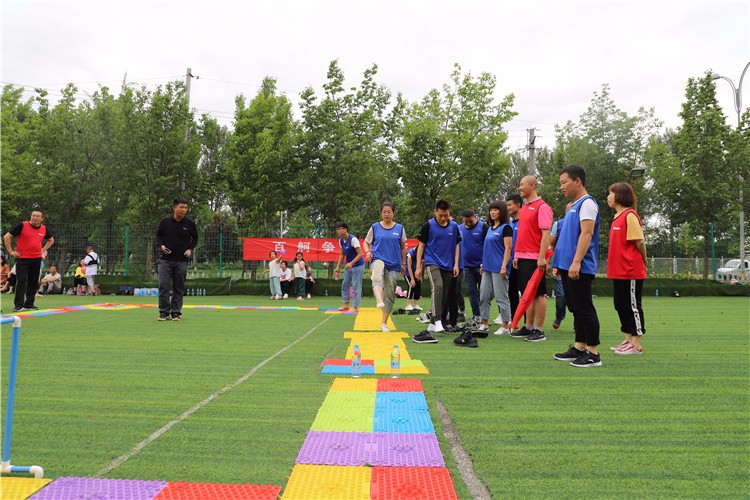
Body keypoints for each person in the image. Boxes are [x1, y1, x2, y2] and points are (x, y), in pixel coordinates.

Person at [552, 165, 602, 367]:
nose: (561, 187)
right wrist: (559, 264)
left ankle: (593, 352)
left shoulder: (587, 204)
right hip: (566, 266)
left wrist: (576, 261)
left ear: (577, 181)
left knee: (584, 308)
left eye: (564, 182)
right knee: (575, 308)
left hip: (579, 267)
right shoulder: (574, 206)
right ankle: (579, 347)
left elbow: (587, 234)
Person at [463, 200, 513, 343]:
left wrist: (504, 266)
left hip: (499, 268)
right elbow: (487, 248)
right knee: (483, 296)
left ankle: (505, 325)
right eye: (491, 210)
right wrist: (483, 263)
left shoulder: (506, 228)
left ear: (501, 212)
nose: (492, 212)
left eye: (496, 210)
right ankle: (484, 324)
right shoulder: (490, 228)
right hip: (487, 268)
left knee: (501, 297)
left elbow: (508, 249)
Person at [606, 182, 647, 356]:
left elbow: (640, 242)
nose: (608, 197)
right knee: (620, 305)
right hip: (618, 270)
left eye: (611, 193)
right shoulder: (617, 217)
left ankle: (636, 344)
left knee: (632, 306)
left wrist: (643, 260)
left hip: (630, 270)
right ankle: (628, 339)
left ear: (620, 196)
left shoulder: (630, 215)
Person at [412, 200, 461, 344]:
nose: (443, 218)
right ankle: (438, 319)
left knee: (444, 294)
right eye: (441, 215)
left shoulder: (454, 226)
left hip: (448, 264)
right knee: (437, 287)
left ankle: (432, 324)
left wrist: (456, 264)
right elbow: (421, 246)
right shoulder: (428, 226)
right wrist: (418, 267)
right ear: (435, 212)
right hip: (431, 262)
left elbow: (457, 246)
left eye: (446, 215)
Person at [511, 176, 553, 342]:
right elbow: (522, 234)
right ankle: (528, 327)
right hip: (522, 257)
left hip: (535, 258)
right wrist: (517, 254)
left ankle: (539, 329)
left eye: (522, 185)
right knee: (526, 294)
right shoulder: (525, 208)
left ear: (532, 185)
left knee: (538, 293)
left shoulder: (542, 207)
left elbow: (546, 234)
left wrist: (542, 257)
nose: (519, 188)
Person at [362, 201, 407, 333]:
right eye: (384, 212)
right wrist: (368, 251)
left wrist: (403, 264)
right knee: (377, 276)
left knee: (390, 294)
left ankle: (383, 323)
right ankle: (378, 299)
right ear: (381, 213)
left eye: (389, 212)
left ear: (393, 213)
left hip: (394, 264)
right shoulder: (375, 227)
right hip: (377, 259)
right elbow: (366, 243)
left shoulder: (399, 228)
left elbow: (403, 247)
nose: (386, 214)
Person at [3, 209, 55, 312]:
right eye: (33, 215)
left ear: (42, 218)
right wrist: (10, 251)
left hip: (36, 259)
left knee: (33, 282)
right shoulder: (22, 225)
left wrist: (43, 250)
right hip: (22, 258)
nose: (35, 217)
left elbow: (51, 240)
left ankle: (29, 304)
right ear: (30, 216)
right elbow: (7, 236)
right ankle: (18, 305)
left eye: (37, 216)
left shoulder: (44, 229)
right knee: (21, 281)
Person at [156, 197, 198, 321]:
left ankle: (175, 313)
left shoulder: (190, 224)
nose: (184, 210)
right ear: (174, 207)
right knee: (163, 285)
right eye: (181, 207)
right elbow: (158, 235)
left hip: (182, 261)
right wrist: (161, 245)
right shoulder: (165, 222)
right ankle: (163, 312)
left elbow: (195, 238)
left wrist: (190, 249)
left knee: (178, 287)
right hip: (165, 261)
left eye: (186, 208)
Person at [459, 208, 488, 326]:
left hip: (481, 266)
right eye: (466, 221)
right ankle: (477, 316)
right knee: (471, 291)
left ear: (475, 217)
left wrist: (485, 262)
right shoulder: (459, 228)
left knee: (483, 293)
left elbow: (488, 245)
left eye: (470, 221)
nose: (468, 224)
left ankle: (484, 316)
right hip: (466, 266)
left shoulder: (483, 227)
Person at [549, 202, 573, 329]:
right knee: (561, 294)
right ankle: (559, 316)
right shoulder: (558, 224)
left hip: (578, 266)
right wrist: (551, 262)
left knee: (577, 296)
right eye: (569, 209)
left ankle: (578, 321)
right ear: (565, 210)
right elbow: (551, 245)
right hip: (561, 265)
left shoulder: (583, 224)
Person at [334, 222, 364, 313]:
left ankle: (355, 306)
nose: (338, 231)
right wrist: (338, 266)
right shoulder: (341, 241)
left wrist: (351, 263)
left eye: (340, 229)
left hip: (358, 265)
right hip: (348, 266)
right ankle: (346, 305)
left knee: (356, 286)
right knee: (345, 284)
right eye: (337, 229)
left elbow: (360, 254)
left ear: (345, 229)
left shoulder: (353, 239)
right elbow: (342, 254)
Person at [506, 194, 523, 319]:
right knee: (511, 292)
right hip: (511, 262)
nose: (508, 208)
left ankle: (528, 322)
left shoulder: (524, 221)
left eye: (510, 205)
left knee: (524, 292)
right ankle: (514, 319)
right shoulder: (511, 223)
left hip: (523, 261)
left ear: (518, 205)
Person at [405, 246, 422, 311]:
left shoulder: (421, 253)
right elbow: (409, 267)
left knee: (418, 287)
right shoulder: (410, 254)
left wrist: (420, 276)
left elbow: (420, 264)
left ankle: (415, 305)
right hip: (408, 273)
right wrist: (412, 279)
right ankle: (408, 305)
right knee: (411, 286)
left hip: (416, 272)